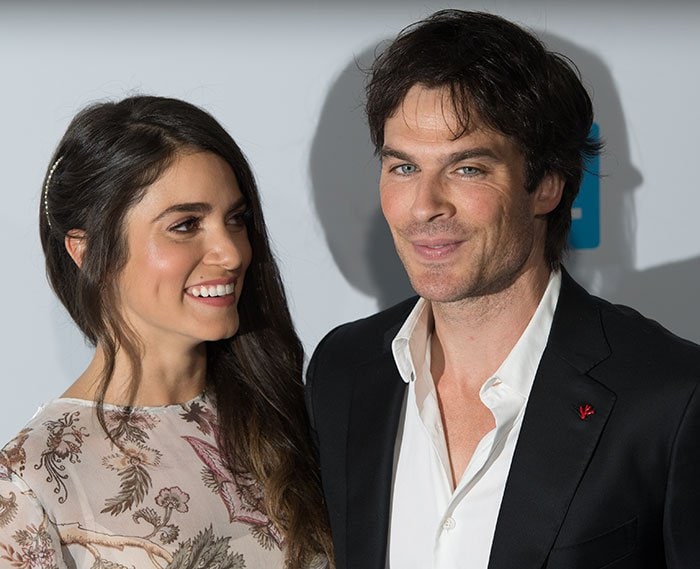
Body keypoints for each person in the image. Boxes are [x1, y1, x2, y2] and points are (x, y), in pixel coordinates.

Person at [305, 10, 700, 569]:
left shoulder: (670, 399)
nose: (424, 206)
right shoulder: (343, 372)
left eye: (467, 169)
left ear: (546, 186)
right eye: (402, 168)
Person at [0, 96, 332, 568]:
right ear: (89, 251)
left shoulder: (294, 418)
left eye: (235, 219)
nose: (232, 253)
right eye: (185, 225)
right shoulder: (29, 481)